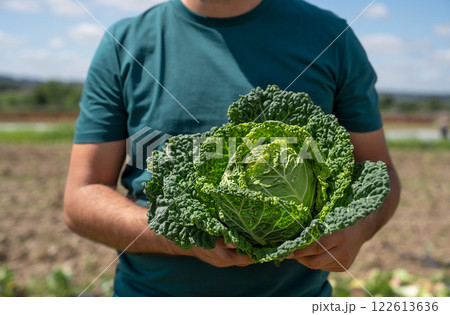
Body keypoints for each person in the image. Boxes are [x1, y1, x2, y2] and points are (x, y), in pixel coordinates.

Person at [64, 0, 400, 296]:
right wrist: (183, 238)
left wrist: (358, 228)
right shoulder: (125, 43)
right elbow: (82, 197)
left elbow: (378, 174)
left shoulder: (331, 37)